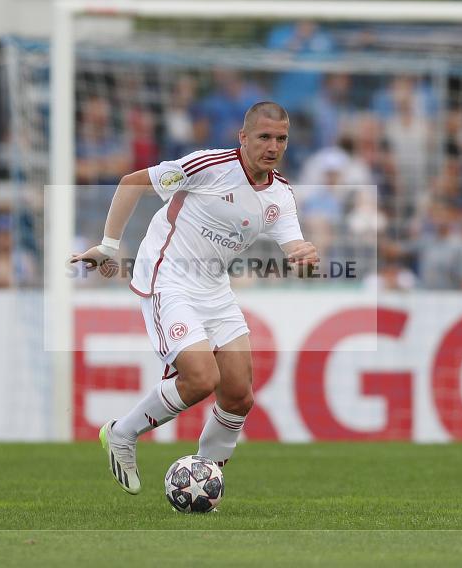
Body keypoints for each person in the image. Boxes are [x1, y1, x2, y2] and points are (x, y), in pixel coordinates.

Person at [70, 101, 318, 495]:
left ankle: (205, 479)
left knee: (238, 395)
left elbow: (295, 250)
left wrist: (305, 257)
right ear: (244, 137)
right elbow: (132, 182)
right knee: (202, 378)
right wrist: (108, 245)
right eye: (264, 137)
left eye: (281, 139)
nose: (273, 146)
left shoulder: (281, 197)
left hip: (215, 288)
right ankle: (121, 433)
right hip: (168, 276)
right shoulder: (209, 166)